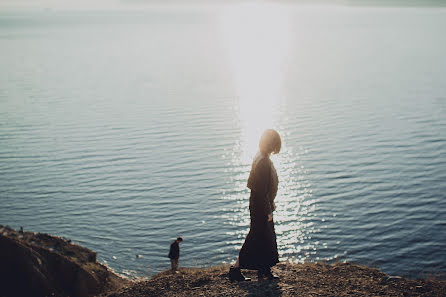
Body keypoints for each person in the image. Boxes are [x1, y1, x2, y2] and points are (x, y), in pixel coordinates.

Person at [229, 129, 281, 282]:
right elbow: (261, 189)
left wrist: (270, 202)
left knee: (264, 238)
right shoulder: (263, 161)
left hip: (259, 204)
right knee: (255, 237)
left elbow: (261, 188)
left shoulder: (261, 156)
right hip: (260, 206)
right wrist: (268, 210)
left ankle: (263, 269)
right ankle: (235, 269)